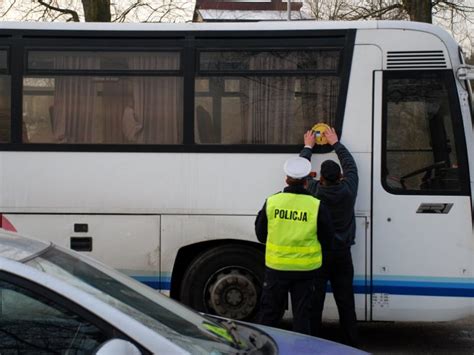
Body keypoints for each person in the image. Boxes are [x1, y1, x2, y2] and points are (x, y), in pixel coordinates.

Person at [255, 157, 334, 335]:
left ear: (286, 179)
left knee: (269, 315)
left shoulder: (272, 202)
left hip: (277, 269)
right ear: (307, 181)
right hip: (306, 272)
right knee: (302, 318)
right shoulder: (316, 206)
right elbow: (328, 240)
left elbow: (260, 235)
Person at [300, 127, 359, 346]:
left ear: (321, 177)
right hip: (343, 255)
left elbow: (299, 173)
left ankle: (313, 342)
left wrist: (308, 146)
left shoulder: (314, 191)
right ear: (341, 177)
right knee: (346, 301)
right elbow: (351, 166)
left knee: (316, 302)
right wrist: (335, 143)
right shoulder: (349, 190)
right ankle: (351, 342)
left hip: (320, 254)